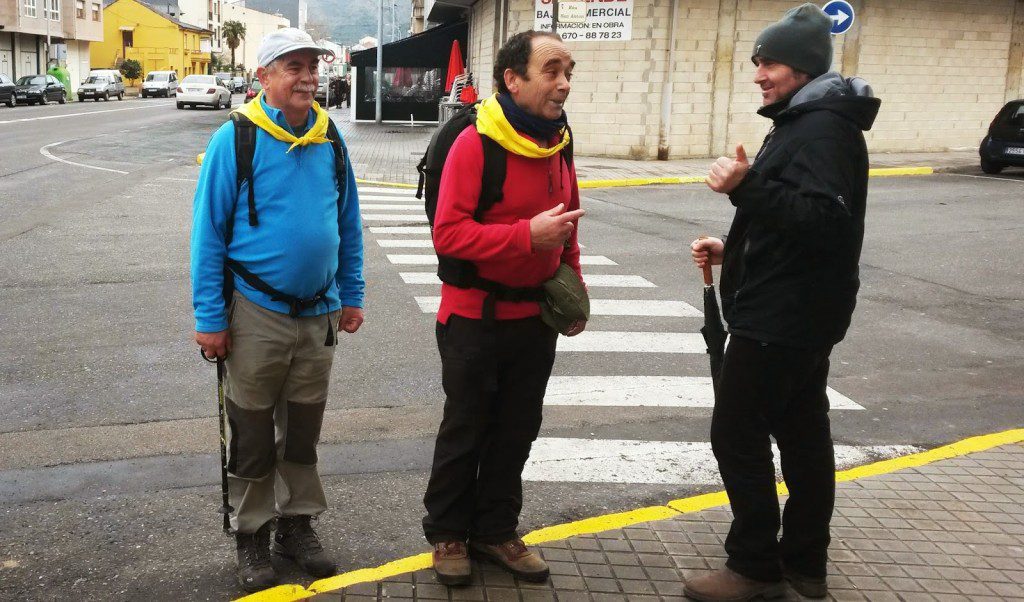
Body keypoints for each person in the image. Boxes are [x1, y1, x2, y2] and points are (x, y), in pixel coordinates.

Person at [685, 4, 880, 601]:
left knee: (736, 433)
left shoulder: (820, 128)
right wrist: (736, 250)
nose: (758, 74)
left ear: (801, 65)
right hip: (800, 310)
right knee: (802, 435)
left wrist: (745, 188)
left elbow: (821, 222)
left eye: (767, 62)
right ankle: (804, 562)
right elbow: (804, 223)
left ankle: (753, 568)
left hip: (781, 317)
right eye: (756, 62)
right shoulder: (810, 120)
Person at [190, 27, 365, 593]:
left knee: (303, 431)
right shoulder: (235, 140)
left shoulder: (329, 138)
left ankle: (298, 524)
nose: (307, 76)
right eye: (293, 66)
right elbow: (207, 237)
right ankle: (252, 533)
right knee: (251, 432)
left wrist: (352, 292)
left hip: (318, 314)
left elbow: (347, 225)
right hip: (254, 313)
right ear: (263, 76)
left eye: (312, 66)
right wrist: (211, 317)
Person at [422, 30, 586, 586]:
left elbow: (567, 231)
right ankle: (447, 533)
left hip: (534, 318)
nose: (563, 82)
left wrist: (576, 291)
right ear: (512, 79)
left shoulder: (558, 139)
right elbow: (448, 234)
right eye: (551, 71)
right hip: (473, 317)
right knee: (466, 426)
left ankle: (495, 531)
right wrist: (523, 238)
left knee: (517, 428)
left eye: (567, 70)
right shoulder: (476, 142)